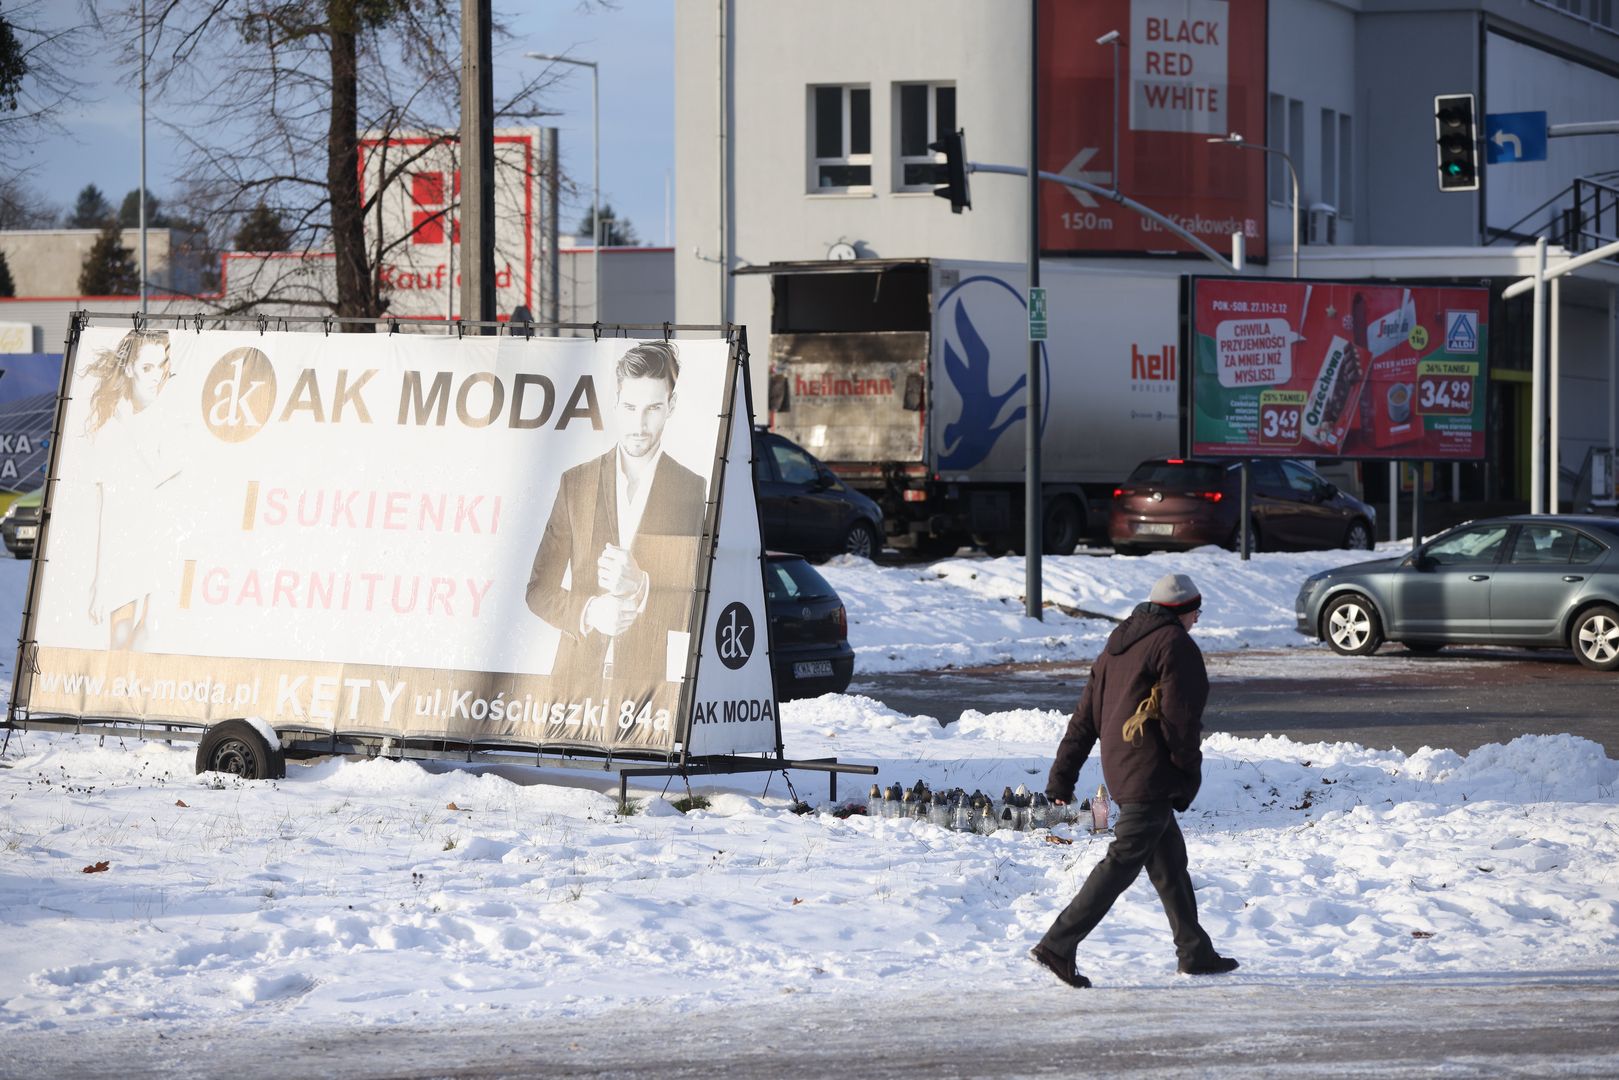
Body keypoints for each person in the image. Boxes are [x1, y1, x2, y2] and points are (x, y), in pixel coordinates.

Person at [1029, 572, 1239, 988]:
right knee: (1123, 860)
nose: (1198, 619)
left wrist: (1061, 779)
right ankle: (1057, 944)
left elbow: (1083, 719)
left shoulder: (1116, 648)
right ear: (1183, 610)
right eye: (1197, 611)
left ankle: (1194, 952)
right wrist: (1186, 771)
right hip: (1151, 771)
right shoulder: (1175, 645)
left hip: (1125, 766)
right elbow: (1181, 720)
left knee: (1170, 864)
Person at [525, 340, 707, 694]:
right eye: (630, 407)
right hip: (573, 689)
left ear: (671, 406)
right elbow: (537, 591)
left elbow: (696, 596)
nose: (639, 424)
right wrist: (590, 611)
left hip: (648, 692)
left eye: (653, 408)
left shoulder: (690, 488)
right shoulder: (576, 482)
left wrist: (642, 586)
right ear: (616, 404)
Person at [80, 328, 179, 650]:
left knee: (152, 627)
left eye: (161, 365)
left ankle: (129, 693)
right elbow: (104, 507)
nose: (156, 376)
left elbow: (169, 478)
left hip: (166, 541)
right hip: (127, 543)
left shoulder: (170, 419)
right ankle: (117, 696)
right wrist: (99, 577)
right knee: (121, 642)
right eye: (146, 368)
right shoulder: (111, 429)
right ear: (129, 369)